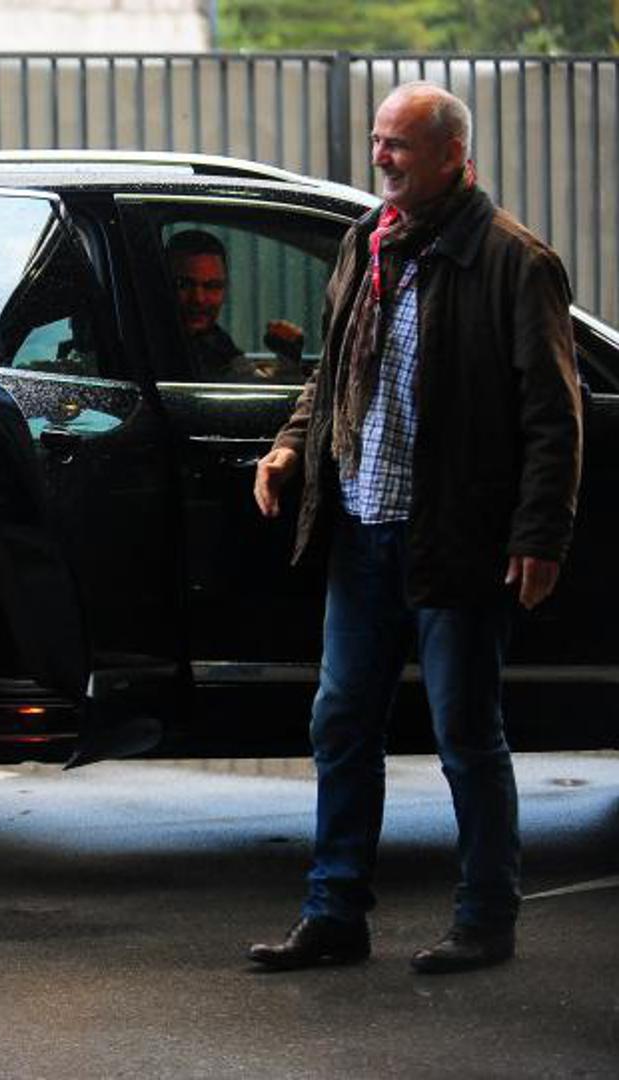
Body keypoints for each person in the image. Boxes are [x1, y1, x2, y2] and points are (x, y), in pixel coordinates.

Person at [248, 82, 581, 975]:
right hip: (361, 526)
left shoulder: (512, 261)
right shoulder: (368, 241)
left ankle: (484, 920)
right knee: (340, 723)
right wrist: (289, 446)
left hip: (454, 537)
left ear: (451, 156)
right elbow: (332, 373)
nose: (380, 157)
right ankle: (334, 914)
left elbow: (552, 414)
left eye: (397, 144)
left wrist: (539, 537)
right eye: (376, 140)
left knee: (465, 735)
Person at [167, 228, 304, 382]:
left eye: (212, 286)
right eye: (183, 285)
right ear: (162, 284)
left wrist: (288, 360)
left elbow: (246, 382)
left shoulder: (215, 341)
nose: (198, 298)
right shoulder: (158, 347)